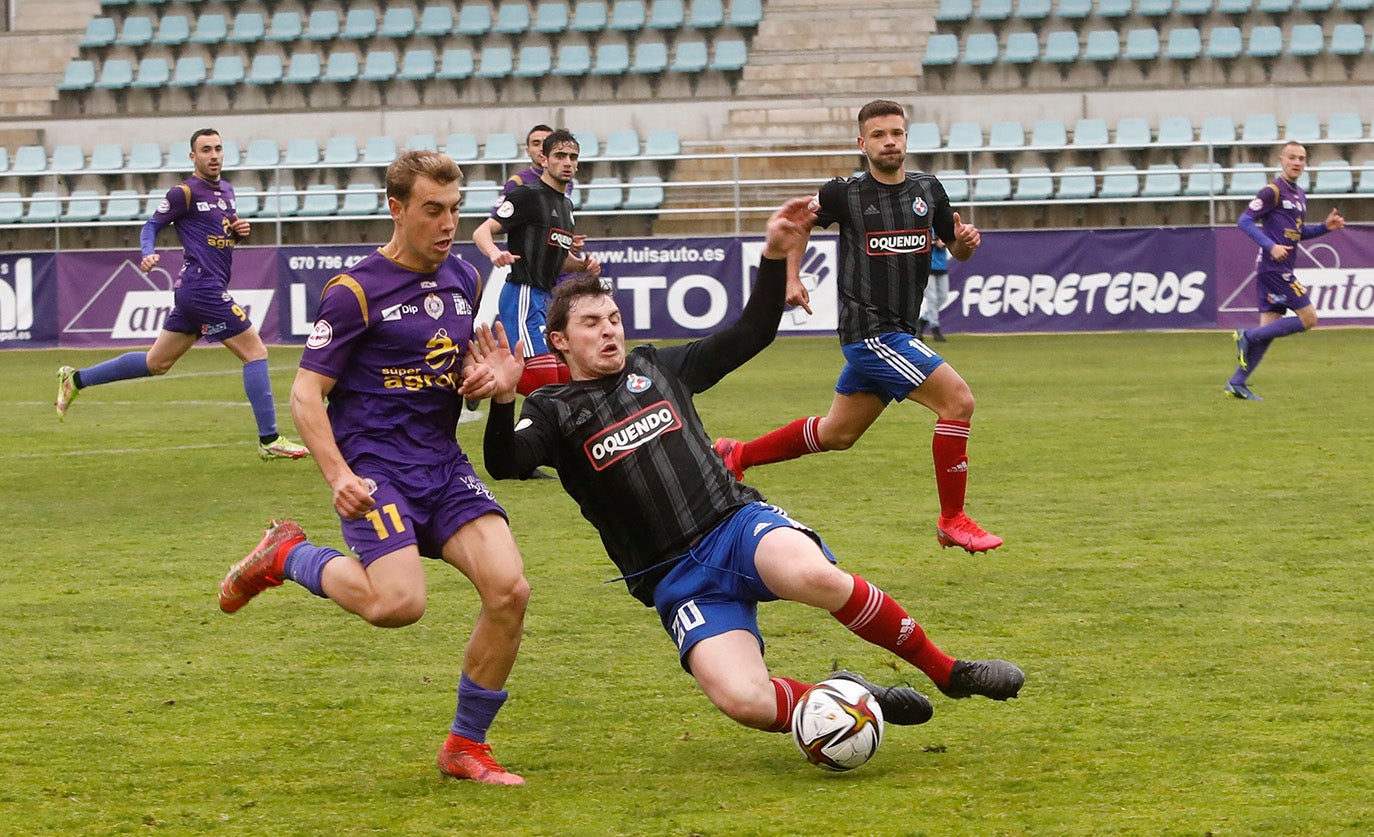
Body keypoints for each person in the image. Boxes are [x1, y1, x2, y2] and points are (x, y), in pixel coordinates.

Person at [475, 197, 1024, 748]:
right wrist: (502, 401)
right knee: (745, 700)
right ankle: (851, 696)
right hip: (673, 577)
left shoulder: (657, 367)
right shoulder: (553, 408)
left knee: (816, 578)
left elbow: (752, 332)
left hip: (734, 526)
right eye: (592, 323)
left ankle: (949, 672)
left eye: (613, 318)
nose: (609, 331)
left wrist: (773, 255)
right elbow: (506, 464)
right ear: (560, 341)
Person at [217, 151, 530, 786]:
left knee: (509, 591)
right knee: (397, 605)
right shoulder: (354, 291)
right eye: (432, 211)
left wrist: (486, 381)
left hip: (442, 465)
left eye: (455, 211)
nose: (447, 225)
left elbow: (459, 378)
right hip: (376, 468)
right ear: (397, 208)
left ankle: (464, 747)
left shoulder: (464, 281)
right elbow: (307, 395)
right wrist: (337, 476)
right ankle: (287, 556)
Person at [712, 100, 1000, 554]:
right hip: (869, 332)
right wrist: (791, 275)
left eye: (897, 133)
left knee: (837, 434)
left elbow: (956, 250)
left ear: (907, 138)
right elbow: (798, 224)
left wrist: (965, 245)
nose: (890, 141)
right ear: (862, 143)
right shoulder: (843, 192)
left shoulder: (929, 190)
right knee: (958, 402)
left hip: (901, 332)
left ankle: (737, 454)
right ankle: (952, 519)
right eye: (880, 134)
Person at [54, 128, 309, 461]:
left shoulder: (227, 191)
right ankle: (269, 439)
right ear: (193, 157)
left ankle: (76, 380)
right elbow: (151, 226)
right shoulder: (183, 193)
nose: (214, 155)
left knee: (156, 362)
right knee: (255, 352)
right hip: (201, 287)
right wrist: (147, 252)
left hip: (200, 289)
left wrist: (238, 233)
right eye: (206, 150)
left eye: (218, 148)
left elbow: (221, 236)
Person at [472, 128, 600, 397]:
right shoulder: (526, 195)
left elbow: (558, 260)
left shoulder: (566, 206)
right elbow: (481, 231)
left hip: (544, 298)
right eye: (560, 156)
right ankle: (485, 376)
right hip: (523, 292)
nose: (567, 162)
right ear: (544, 159)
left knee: (564, 374)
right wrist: (494, 252)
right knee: (544, 380)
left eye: (573, 157)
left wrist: (581, 266)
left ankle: (486, 375)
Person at [1225, 140, 1345, 401]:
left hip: (1280, 267)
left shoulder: (1300, 195)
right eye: (1292, 157)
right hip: (1274, 268)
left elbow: (1296, 233)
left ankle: (1237, 382)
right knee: (1309, 318)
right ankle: (1247, 336)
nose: (1297, 163)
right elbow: (1244, 220)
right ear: (1281, 160)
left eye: (1302, 158)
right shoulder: (1272, 191)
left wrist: (1326, 228)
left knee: (1270, 329)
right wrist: (1270, 246)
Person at [918, 239, 949, 343]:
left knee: (943, 297)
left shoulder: (943, 226)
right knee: (932, 298)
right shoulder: (927, 225)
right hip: (928, 266)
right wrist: (935, 242)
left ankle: (922, 321)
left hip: (942, 266)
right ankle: (935, 329)